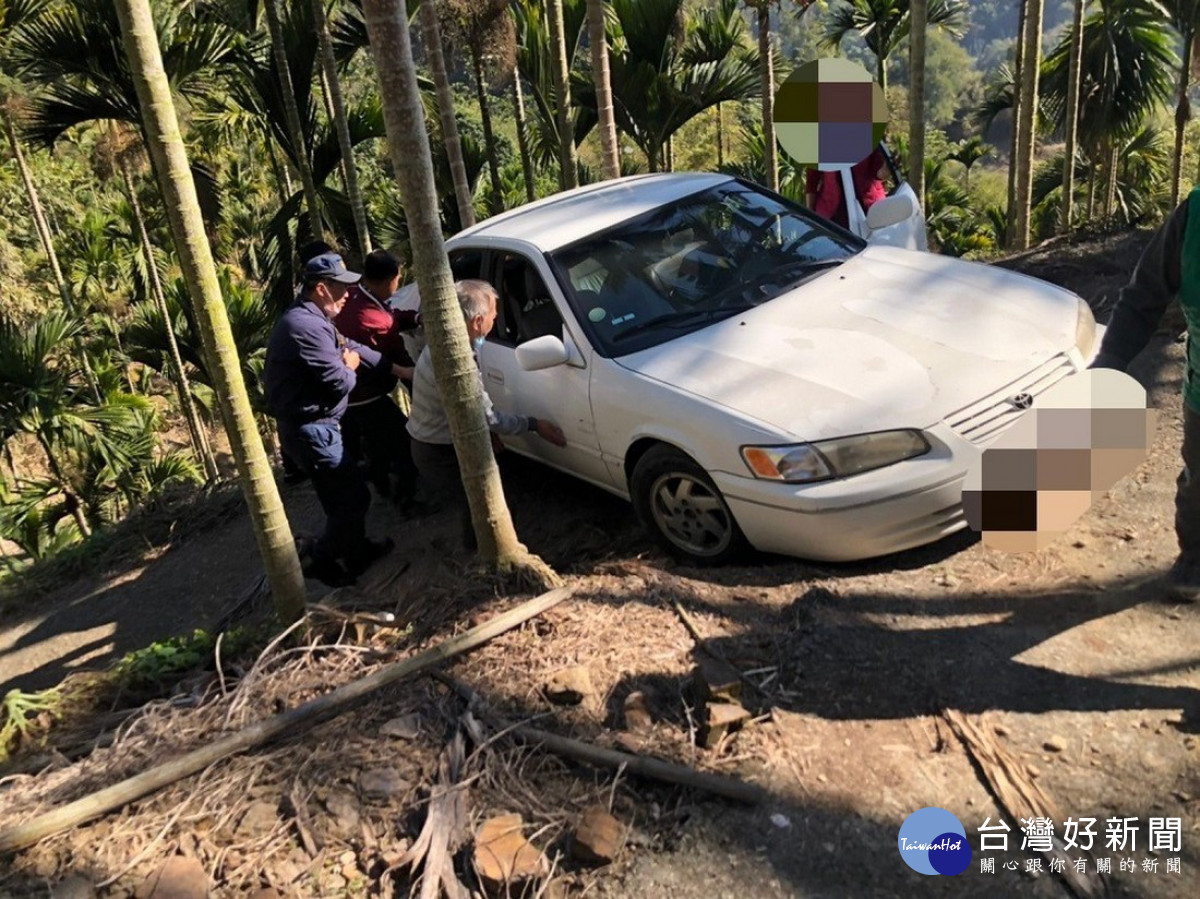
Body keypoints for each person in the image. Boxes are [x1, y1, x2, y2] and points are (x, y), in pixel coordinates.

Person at [264, 252, 406, 587]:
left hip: (317, 427)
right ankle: (321, 558)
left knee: (343, 496)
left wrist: (394, 367)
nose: (347, 295)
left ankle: (357, 553)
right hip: (312, 431)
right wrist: (351, 366)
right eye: (340, 288)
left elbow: (351, 344)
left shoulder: (313, 317)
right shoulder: (306, 327)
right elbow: (341, 380)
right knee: (350, 500)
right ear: (320, 288)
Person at [1090, 193, 1200, 600]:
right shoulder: (1192, 218)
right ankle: (1196, 558)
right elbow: (1142, 298)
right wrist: (1109, 363)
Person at [407, 279, 567, 548]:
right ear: (478, 322)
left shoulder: (446, 343)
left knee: (479, 506)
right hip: (439, 452)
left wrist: (487, 434)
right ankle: (488, 563)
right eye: (494, 314)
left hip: (434, 442)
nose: (496, 318)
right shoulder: (455, 364)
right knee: (488, 508)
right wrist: (534, 424)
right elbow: (487, 416)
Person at [333, 249, 424, 511]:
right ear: (390, 280)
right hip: (366, 395)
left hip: (354, 394)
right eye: (398, 278)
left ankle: (381, 482)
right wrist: (421, 386)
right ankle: (405, 500)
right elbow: (397, 352)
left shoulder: (358, 296)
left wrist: (415, 318)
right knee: (402, 443)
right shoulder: (373, 318)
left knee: (378, 444)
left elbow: (392, 316)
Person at [805, 145, 887, 230]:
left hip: (867, 211)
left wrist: (885, 169)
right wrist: (810, 216)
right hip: (831, 214)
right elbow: (812, 181)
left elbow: (878, 171)